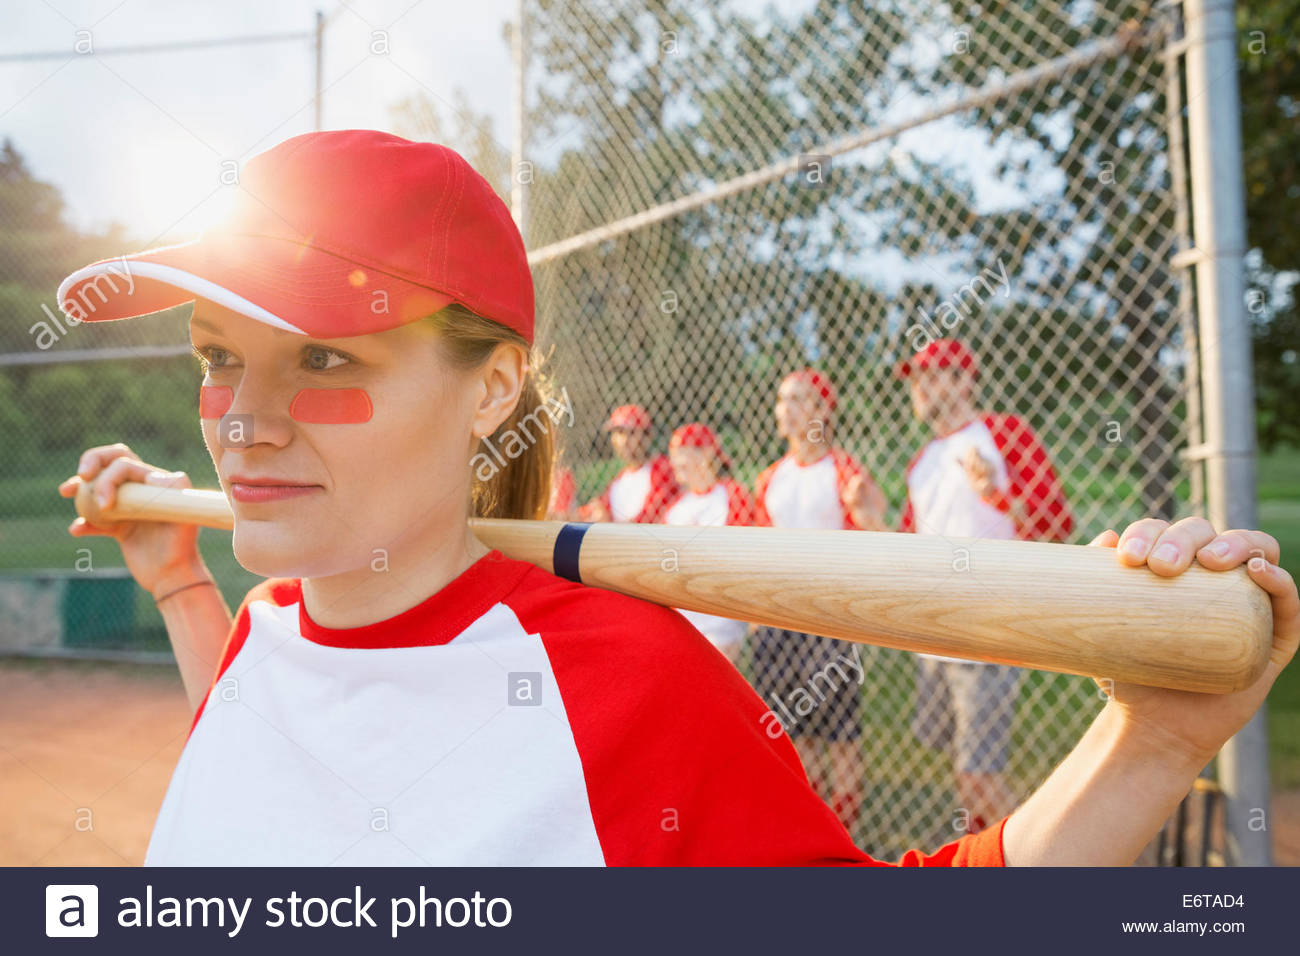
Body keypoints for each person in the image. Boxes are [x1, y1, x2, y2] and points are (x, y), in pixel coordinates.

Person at [54, 131, 1297, 866]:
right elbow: (278, 721)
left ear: (491, 392)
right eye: (219, 355)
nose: (242, 418)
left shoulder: (617, 684)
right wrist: (176, 581)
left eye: (324, 358)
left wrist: (1152, 743)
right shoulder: (271, 625)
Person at [897, 338, 1074, 834]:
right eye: (915, 379)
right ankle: (986, 855)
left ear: (964, 381)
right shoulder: (923, 460)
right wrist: (869, 518)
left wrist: (995, 495)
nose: (919, 388)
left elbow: (1056, 523)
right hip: (935, 633)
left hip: (989, 626)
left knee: (978, 774)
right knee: (960, 766)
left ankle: (1039, 861)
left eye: (932, 377)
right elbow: (909, 544)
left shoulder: (1003, 433)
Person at [750, 368, 888, 835]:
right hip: (779, 619)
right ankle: (812, 829)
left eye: (798, 399)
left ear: (823, 411)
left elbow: (876, 526)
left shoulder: (845, 470)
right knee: (798, 733)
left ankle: (845, 832)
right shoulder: (770, 478)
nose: (784, 410)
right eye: (781, 400)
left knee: (842, 737)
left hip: (829, 619)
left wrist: (870, 511)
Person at [661, 423, 757, 665]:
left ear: (705, 455)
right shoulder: (675, 507)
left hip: (719, 615)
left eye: (681, 452)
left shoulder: (733, 494)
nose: (674, 461)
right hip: (681, 616)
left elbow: (742, 553)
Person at [577, 404, 679, 523]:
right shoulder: (620, 478)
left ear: (647, 436)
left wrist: (611, 526)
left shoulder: (661, 467)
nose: (623, 441)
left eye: (631, 433)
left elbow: (652, 517)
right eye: (618, 433)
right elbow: (597, 507)